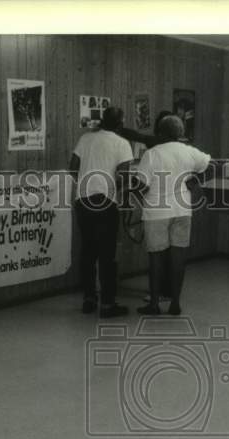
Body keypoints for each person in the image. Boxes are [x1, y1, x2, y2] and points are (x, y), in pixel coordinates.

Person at [133, 114, 211, 316]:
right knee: (178, 259)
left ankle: (154, 304)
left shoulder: (152, 154)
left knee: (156, 259)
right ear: (180, 133)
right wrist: (194, 181)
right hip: (183, 210)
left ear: (160, 133)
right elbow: (210, 166)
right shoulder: (189, 152)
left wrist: (131, 191)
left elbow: (141, 185)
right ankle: (175, 303)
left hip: (157, 211)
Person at [69, 105, 134, 317]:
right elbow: (123, 176)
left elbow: (72, 167)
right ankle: (107, 304)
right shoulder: (122, 144)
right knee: (107, 255)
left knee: (87, 252)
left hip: (83, 200)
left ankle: (88, 299)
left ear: (102, 120)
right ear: (120, 123)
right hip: (106, 202)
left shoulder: (86, 139)